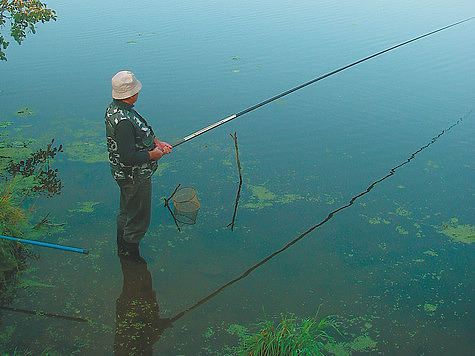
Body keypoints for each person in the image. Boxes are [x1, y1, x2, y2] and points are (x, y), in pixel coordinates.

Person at [105, 70, 172, 257]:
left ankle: (122, 247)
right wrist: (153, 155)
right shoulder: (123, 121)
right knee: (139, 220)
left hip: (124, 176)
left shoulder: (116, 108)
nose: (139, 92)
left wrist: (157, 142)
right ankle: (130, 254)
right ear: (130, 93)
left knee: (127, 212)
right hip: (133, 177)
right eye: (136, 89)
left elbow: (140, 131)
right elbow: (128, 157)